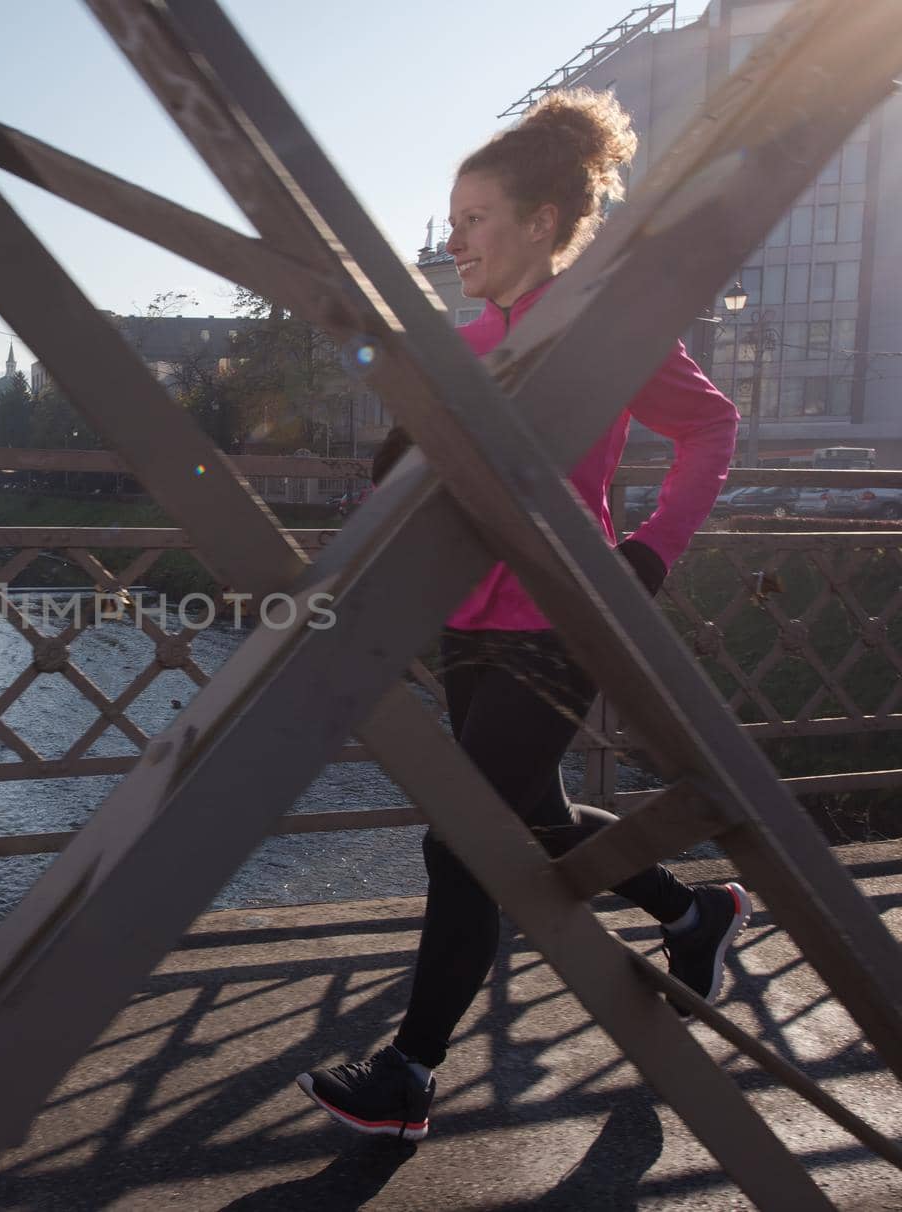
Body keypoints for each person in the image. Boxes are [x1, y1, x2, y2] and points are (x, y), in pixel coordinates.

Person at [297, 89, 747, 1142]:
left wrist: (651, 549)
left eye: (472, 220)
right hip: (468, 617)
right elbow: (429, 480)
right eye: (450, 222)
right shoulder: (469, 339)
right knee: (528, 813)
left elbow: (712, 429)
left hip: (566, 616)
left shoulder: (611, 328)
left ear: (541, 222)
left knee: (463, 838)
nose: (453, 242)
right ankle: (693, 912)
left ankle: (408, 1073)